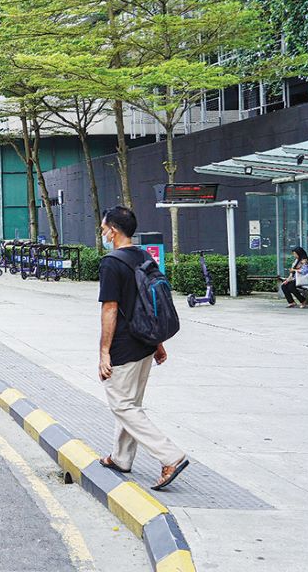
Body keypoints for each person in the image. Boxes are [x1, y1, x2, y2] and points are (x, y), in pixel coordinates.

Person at [97, 206, 189, 490]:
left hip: (124, 345)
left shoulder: (112, 262)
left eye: (103, 229)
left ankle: (171, 457)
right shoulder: (143, 256)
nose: (102, 233)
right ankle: (121, 458)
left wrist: (104, 352)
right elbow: (150, 305)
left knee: (122, 405)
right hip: (145, 343)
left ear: (113, 230)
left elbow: (110, 309)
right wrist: (157, 343)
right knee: (131, 403)